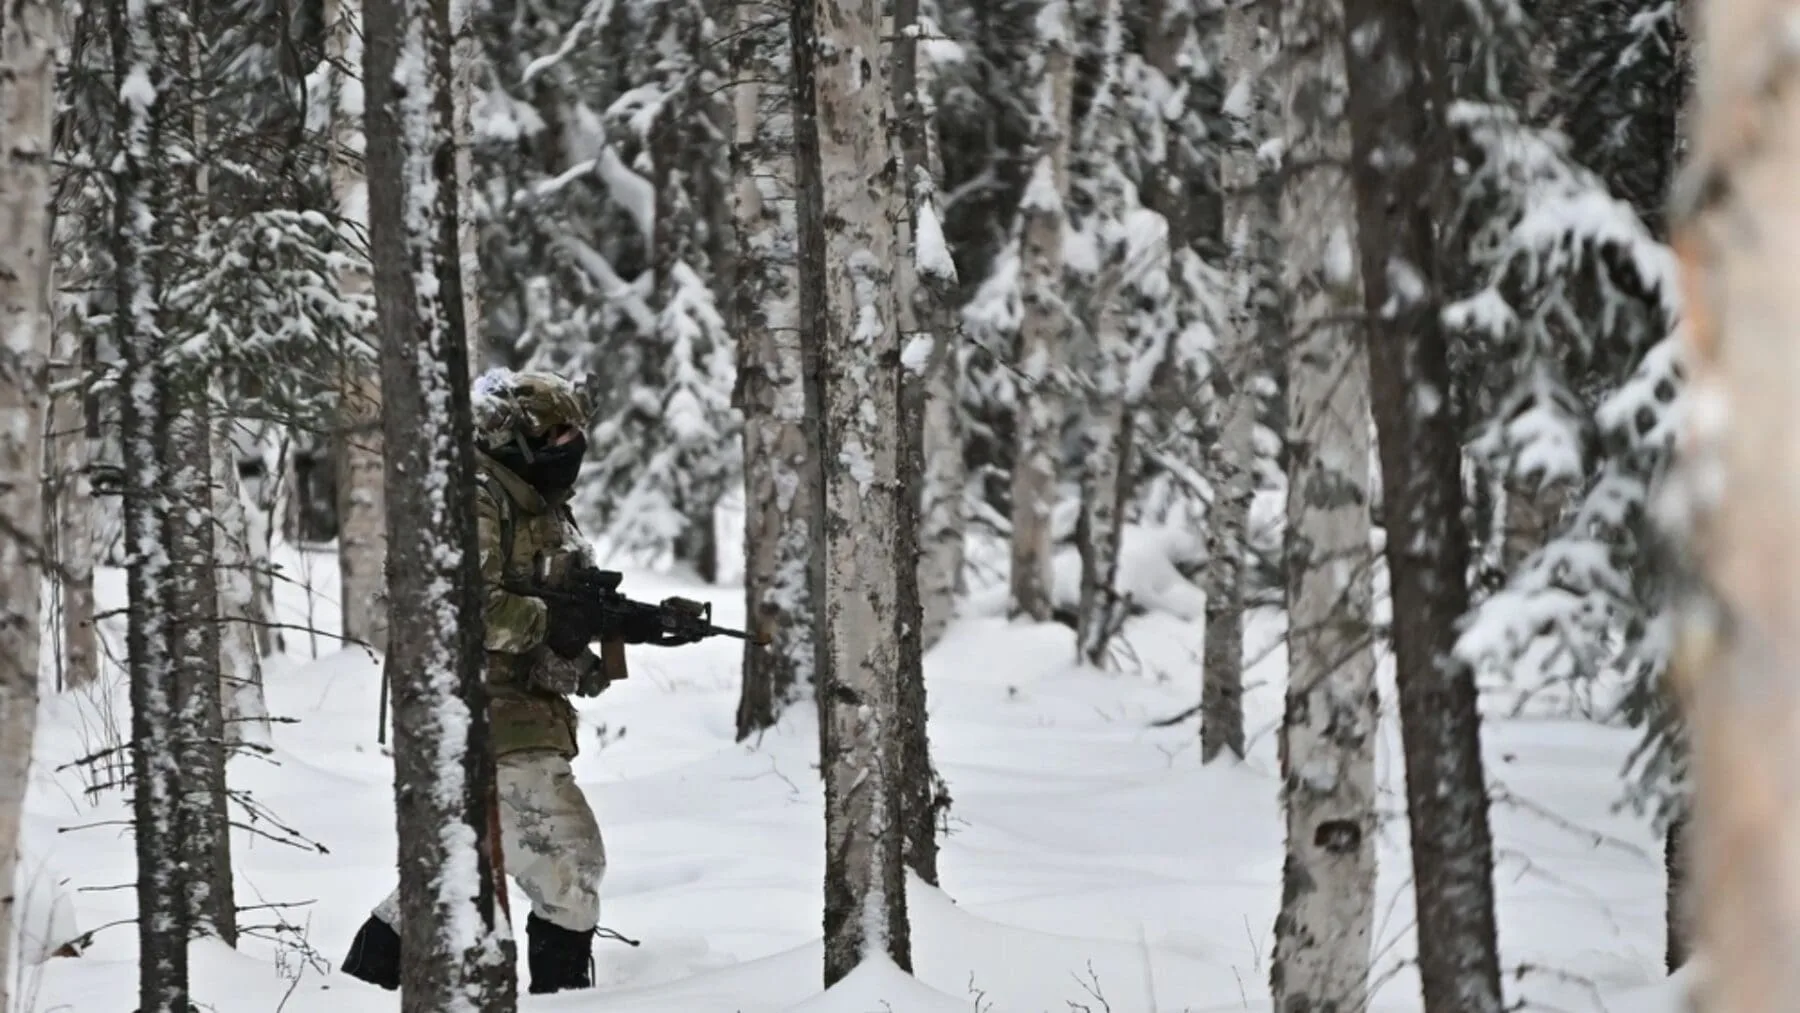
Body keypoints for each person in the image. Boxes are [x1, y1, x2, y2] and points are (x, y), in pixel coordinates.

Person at [339, 368, 670, 995]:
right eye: (558, 433)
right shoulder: (475, 498)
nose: (572, 444)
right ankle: (562, 1004)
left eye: (575, 432)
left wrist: (633, 625)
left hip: (520, 713)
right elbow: (463, 606)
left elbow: (555, 605)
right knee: (568, 862)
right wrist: (555, 622)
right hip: (482, 713)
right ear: (517, 438)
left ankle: (355, 989)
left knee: (463, 865)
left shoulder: (539, 503)